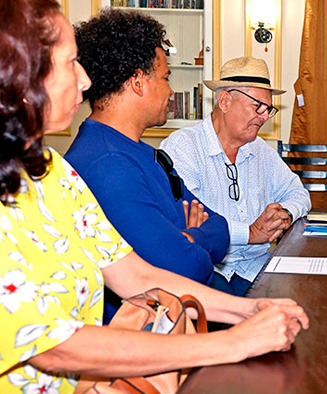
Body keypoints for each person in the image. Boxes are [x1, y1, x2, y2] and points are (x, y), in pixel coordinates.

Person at [0, 2, 308, 393]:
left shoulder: (53, 171)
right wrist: (234, 340)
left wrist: (250, 309)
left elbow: (136, 275)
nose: (84, 79)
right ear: (20, 73)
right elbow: (53, 346)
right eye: (70, 63)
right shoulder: (98, 163)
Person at [64, 9, 232, 321]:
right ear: (138, 82)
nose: (170, 91)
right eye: (166, 78)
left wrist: (193, 237)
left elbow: (220, 228)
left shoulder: (140, 153)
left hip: (190, 312)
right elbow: (183, 269)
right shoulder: (108, 166)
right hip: (148, 334)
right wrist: (190, 236)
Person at [160, 56, 311, 295]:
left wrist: (285, 213)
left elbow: (299, 194)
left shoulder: (260, 150)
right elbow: (190, 220)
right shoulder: (183, 148)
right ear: (225, 101)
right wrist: (251, 232)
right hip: (208, 271)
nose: (264, 117)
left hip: (257, 268)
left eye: (267, 109)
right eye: (257, 107)